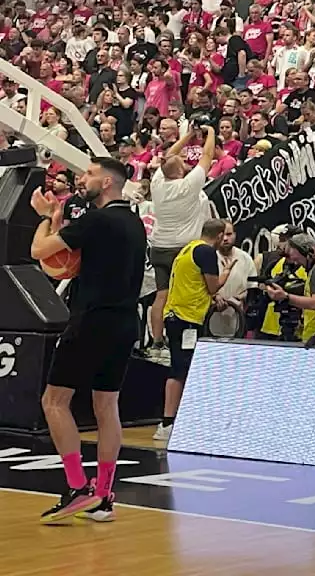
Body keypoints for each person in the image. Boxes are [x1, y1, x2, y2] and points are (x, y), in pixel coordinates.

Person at [29, 157, 147, 523]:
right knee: (106, 407)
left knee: (54, 401)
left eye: (90, 173)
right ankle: (103, 495)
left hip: (92, 319)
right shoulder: (135, 223)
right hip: (126, 322)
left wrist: (47, 216)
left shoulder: (97, 219)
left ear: (108, 183)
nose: (83, 178)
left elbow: (40, 252)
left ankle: (78, 487)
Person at [154, 218, 228, 442]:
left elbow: (195, 285)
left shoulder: (188, 248)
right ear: (219, 236)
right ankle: (168, 423)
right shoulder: (206, 253)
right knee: (180, 369)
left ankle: (176, 419)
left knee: (182, 367)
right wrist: (227, 272)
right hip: (186, 318)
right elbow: (212, 285)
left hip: (177, 315)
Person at [147, 124, 215, 349]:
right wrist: (210, 133)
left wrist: (187, 135)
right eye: (183, 163)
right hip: (182, 249)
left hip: (158, 247)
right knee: (186, 296)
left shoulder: (157, 183)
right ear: (179, 171)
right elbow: (207, 155)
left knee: (161, 296)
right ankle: (185, 341)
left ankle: (157, 340)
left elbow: (169, 156)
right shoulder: (188, 185)